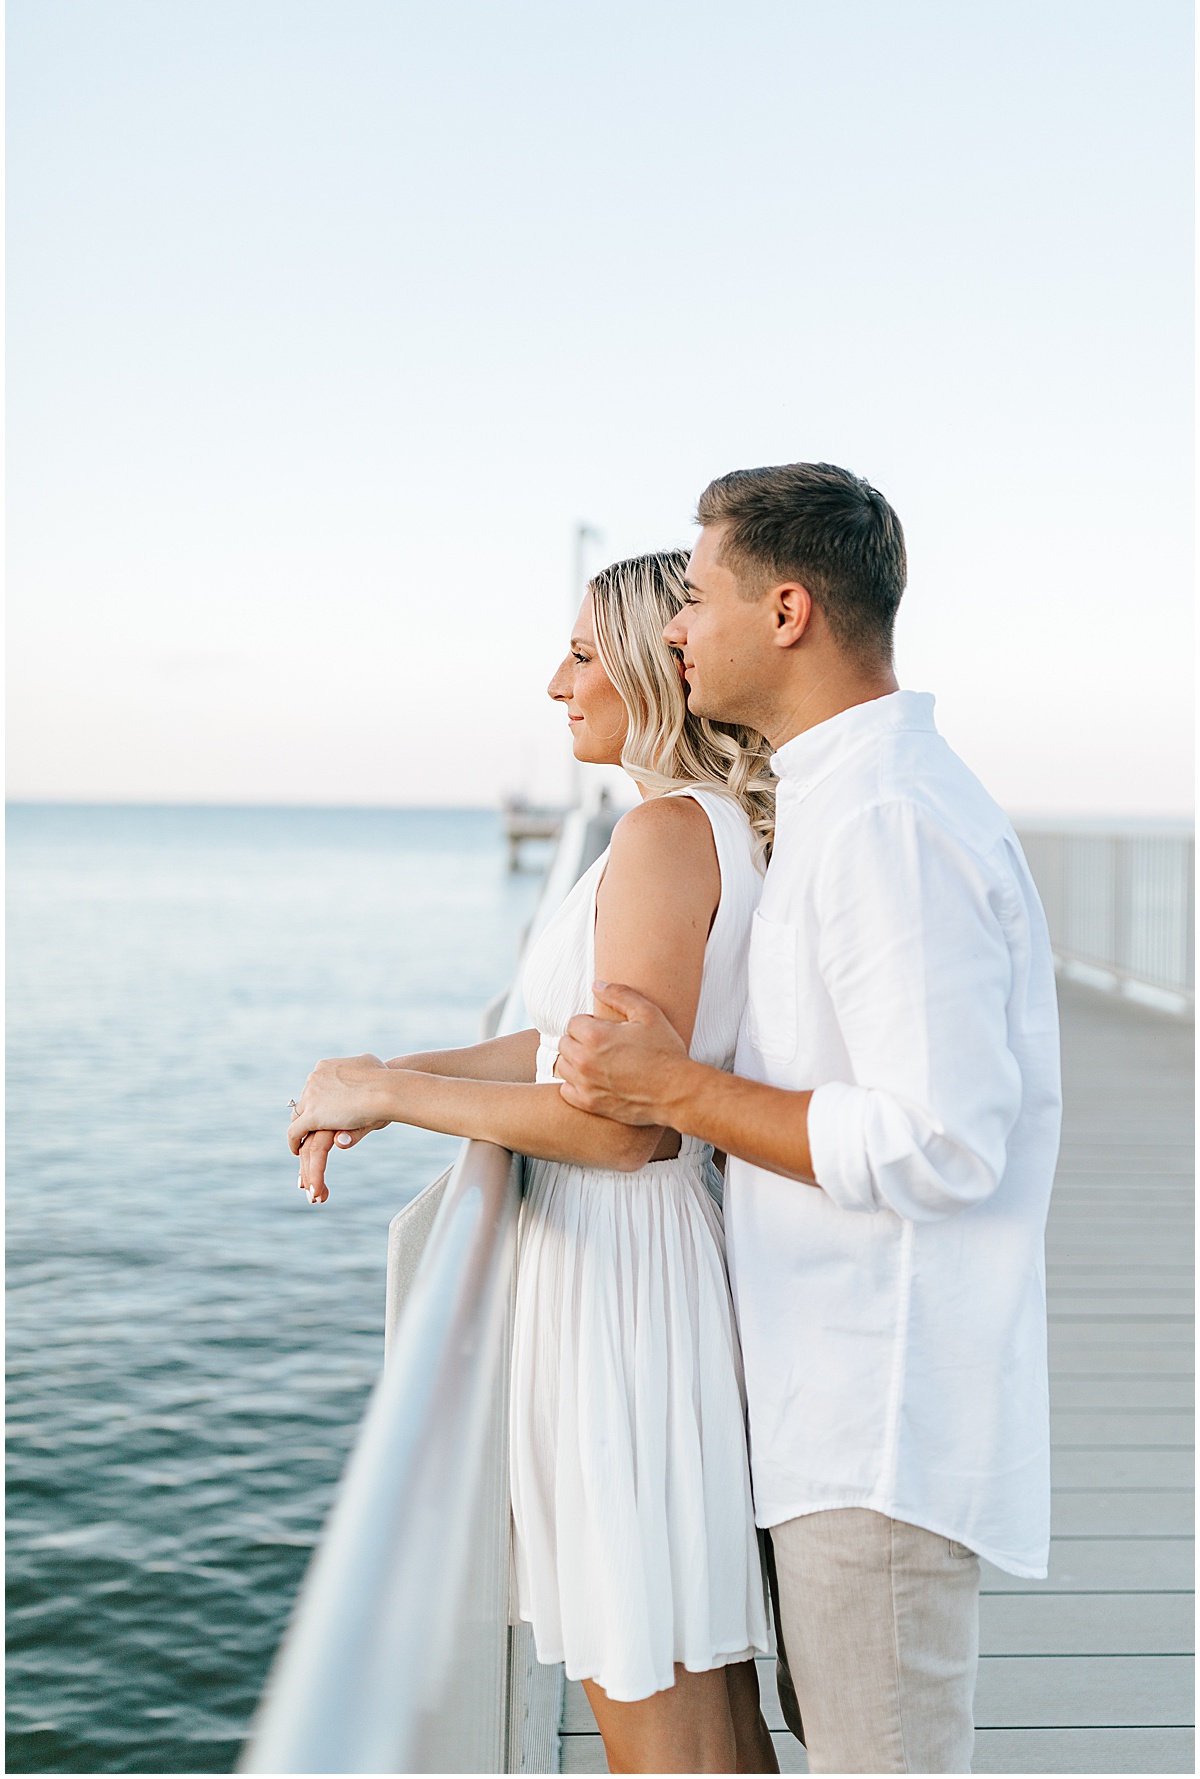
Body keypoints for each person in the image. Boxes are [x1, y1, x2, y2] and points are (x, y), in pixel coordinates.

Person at [556, 464, 1063, 1775]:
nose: (675, 631)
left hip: (875, 1421)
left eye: (699, 596)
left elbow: (941, 1139)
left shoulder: (888, 818)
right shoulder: (843, 799)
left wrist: (672, 1089)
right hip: (820, 1404)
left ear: (786, 611)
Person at [287, 551, 780, 1775]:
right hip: (636, 1276)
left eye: (578, 651)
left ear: (651, 665)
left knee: (658, 1718)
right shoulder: (672, 826)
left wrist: (401, 1093)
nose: (555, 680)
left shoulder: (667, 833)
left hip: (619, 1282)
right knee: (696, 1701)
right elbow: (560, 1042)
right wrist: (389, 1072)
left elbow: (622, 1125)